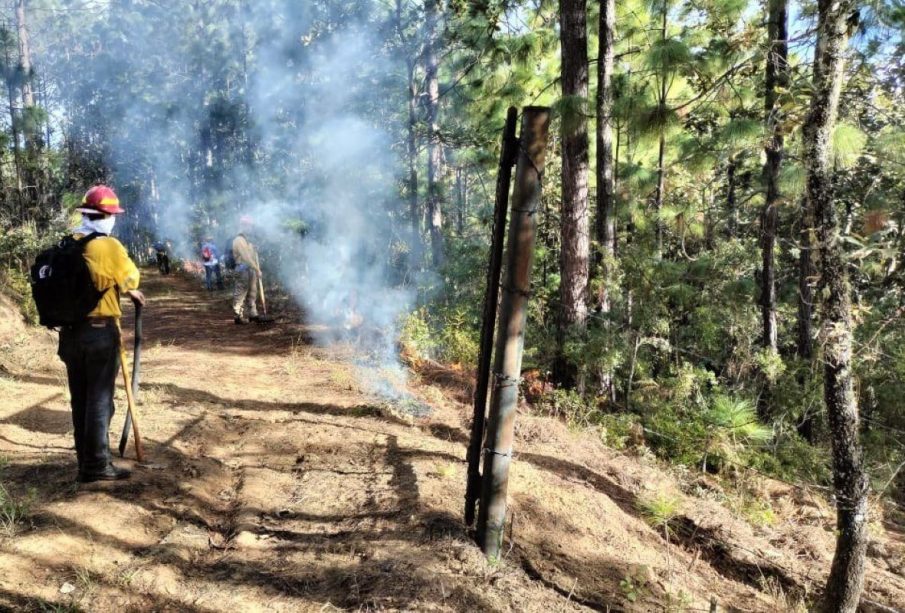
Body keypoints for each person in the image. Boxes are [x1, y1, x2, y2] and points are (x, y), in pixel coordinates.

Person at [60, 185, 145, 482]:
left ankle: (85, 461)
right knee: (99, 399)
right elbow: (131, 277)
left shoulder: (70, 241)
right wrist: (128, 286)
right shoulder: (107, 245)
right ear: (106, 216)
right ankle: (97, 466)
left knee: (80, 398)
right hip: (99, 333)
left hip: (69, 336)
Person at [230, 216, 262, 324]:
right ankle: (238, 316)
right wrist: (257, 269)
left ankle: (253, 314)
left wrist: (254, 249)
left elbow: (251, 255)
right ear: (243, 226)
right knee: (241, 292)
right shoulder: (238, 240)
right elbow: (246, 257)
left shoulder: (247, 241)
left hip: (250, 270)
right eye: (249, 226)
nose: (251, 228)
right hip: (242, 269)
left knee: (253, 292)